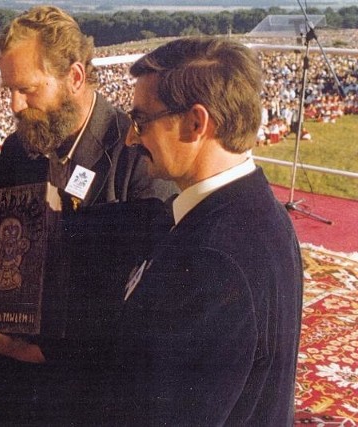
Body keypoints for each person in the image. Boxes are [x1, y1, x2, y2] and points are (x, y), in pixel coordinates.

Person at [0, 6, 177, 426]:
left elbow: (146, 299)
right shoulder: (17, 150)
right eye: (9, 89)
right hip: (18, 391)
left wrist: (42, 350)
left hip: (94, 395)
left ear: (75, 77)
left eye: (27, 89)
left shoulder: (137, 156)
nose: (14, 104)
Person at [118, 37, 303, 424]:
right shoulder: (253, 209)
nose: (131, 137)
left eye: (141, 121)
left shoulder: (214, 260)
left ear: (196, 123)